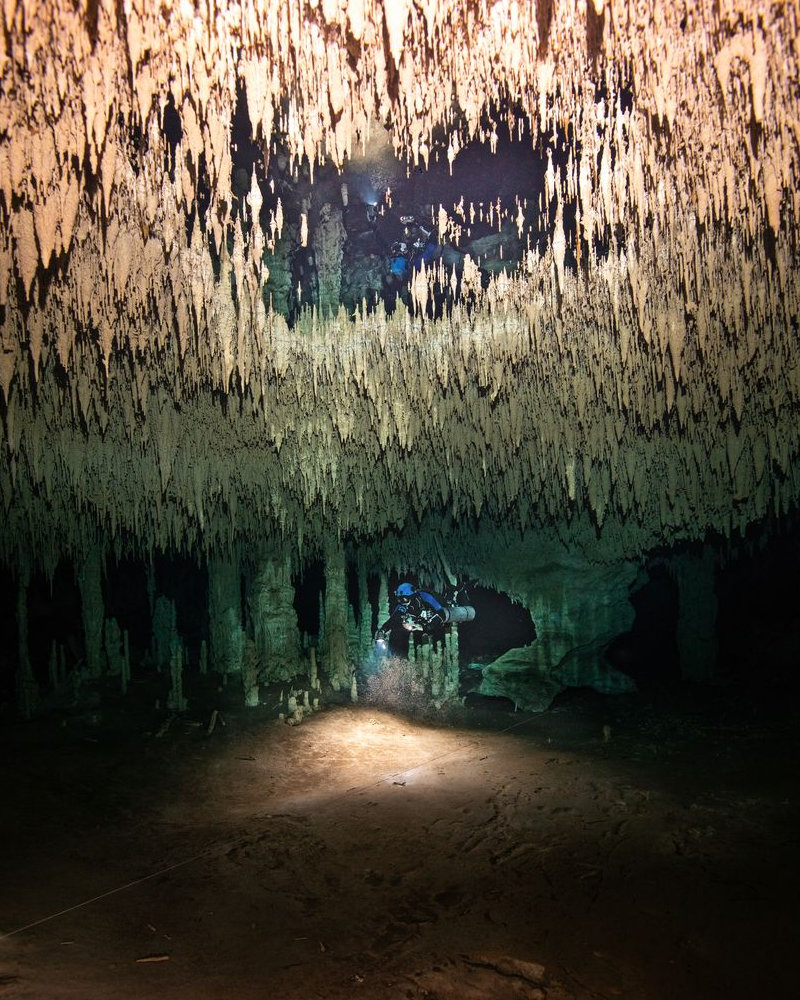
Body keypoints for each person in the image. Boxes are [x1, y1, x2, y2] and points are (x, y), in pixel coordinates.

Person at [375, 581, 473, 641]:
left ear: (412, 596)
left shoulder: (424, 596)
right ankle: (451, 591)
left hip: (436, 612)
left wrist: (428, 626)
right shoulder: (403, 606)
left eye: (404, 599)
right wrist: (382, 630)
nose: (402, 603)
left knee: (448, 603)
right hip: (425, 624)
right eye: (399, 600)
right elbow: (393, 619)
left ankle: (459, 590)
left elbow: (441, 612)